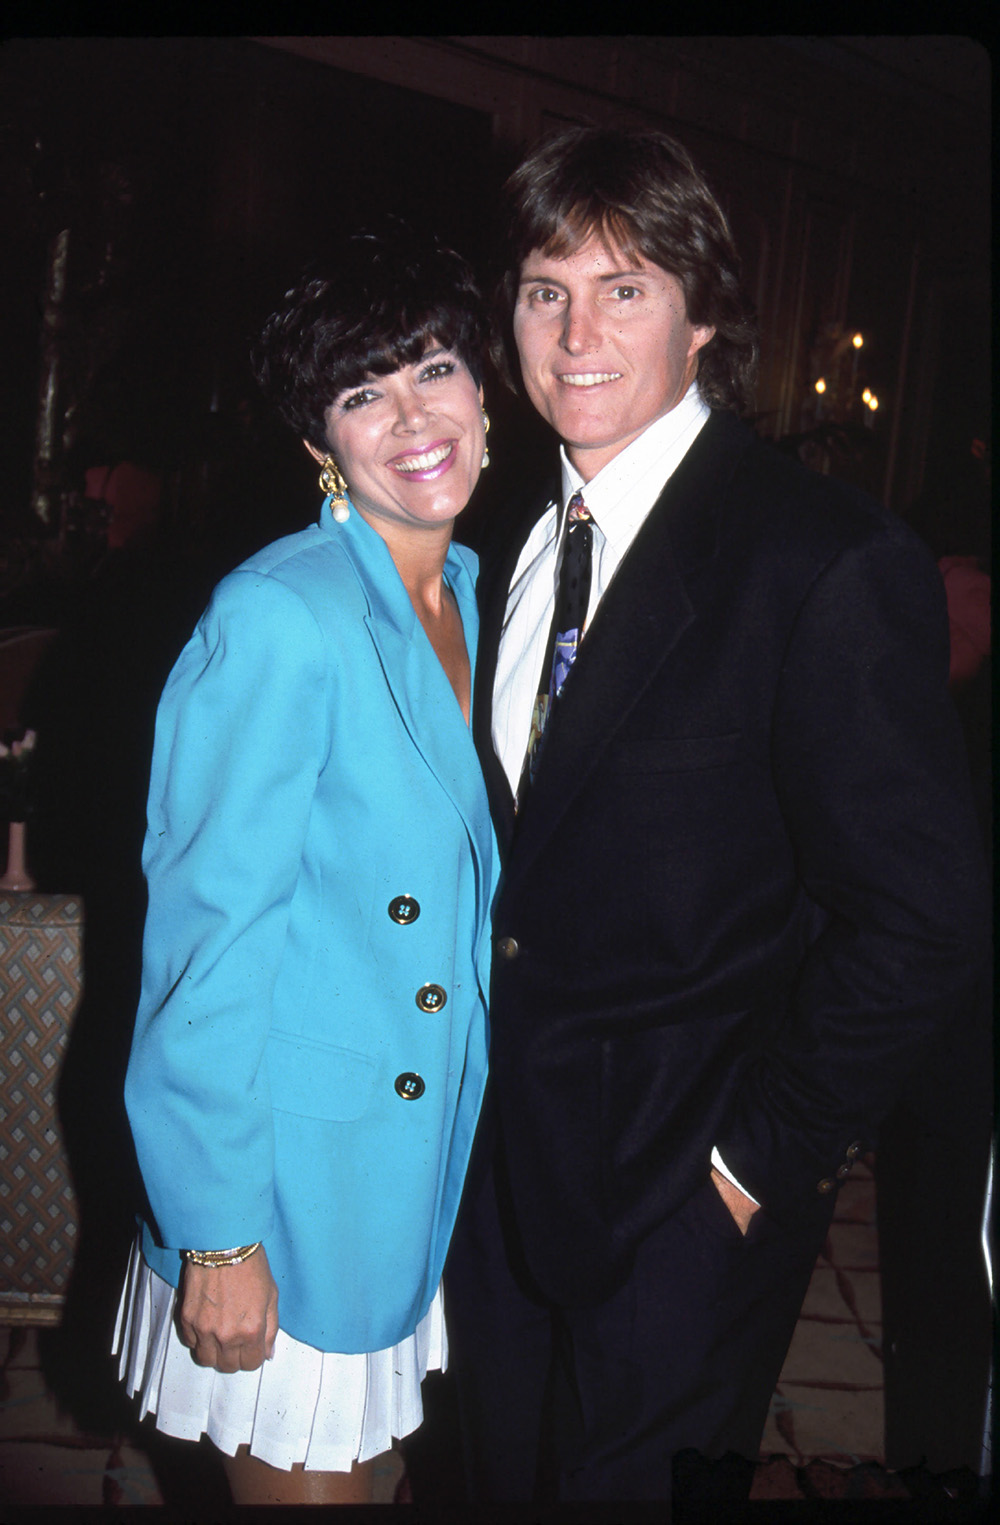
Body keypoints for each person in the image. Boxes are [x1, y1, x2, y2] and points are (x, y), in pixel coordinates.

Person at [444, 125, 990, 1508]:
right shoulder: (503, 530)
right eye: (543, 287)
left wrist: (753, 1166)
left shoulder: (820, 559)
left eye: (625, 289)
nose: (576, 333)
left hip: (684, 1203)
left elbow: (926, 914)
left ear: (704, 320)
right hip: (491, 1181)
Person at [114, 223, 498, 1506]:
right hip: (289, 1182)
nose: (409, 417)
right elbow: (204, 946)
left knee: (376, 1481)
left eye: (433, 368)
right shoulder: (278, 615)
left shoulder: (482, 595)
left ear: (486, 388)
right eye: (360, 392)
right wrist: (219, 1232)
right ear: (317, 441)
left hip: (409, 1167)